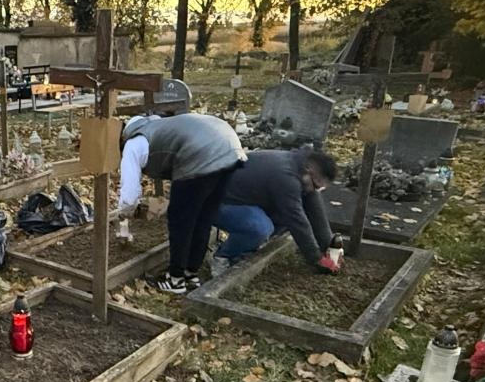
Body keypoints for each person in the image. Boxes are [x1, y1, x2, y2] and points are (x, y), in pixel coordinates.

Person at [117, 112, 246, 294]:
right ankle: (190, 273)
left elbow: (129, 194)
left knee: (181, 220)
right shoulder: (159, 127)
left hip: (200, 154)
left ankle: (175, 279)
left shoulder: (133, 143)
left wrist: (125, 211)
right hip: (230, 149)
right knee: (203, 217)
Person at [213, 147, 340, 274]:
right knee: (261, 228)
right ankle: (224, 256)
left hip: (245, 201)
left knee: (284, 217)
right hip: (217, 203)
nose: (315, 191)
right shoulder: (286, 176)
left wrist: (328, 245)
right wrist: (316, 258)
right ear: (309, 170)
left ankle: (246, 249)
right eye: (316, 186)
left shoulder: (299, 165)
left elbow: (314, 207)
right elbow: (296, 220)